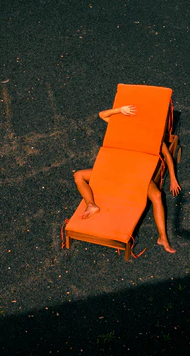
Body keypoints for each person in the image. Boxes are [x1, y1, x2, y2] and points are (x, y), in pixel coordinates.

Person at [73, 104, 181, 253]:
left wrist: (173, 178)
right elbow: (102, 115)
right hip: (116, 170)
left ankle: (163, 238)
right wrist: (119, 110)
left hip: (139, 175)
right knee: (78, 175)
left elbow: (168, 156)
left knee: (156, 195)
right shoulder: (125, 127)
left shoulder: (152, 135)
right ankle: (91, 205)